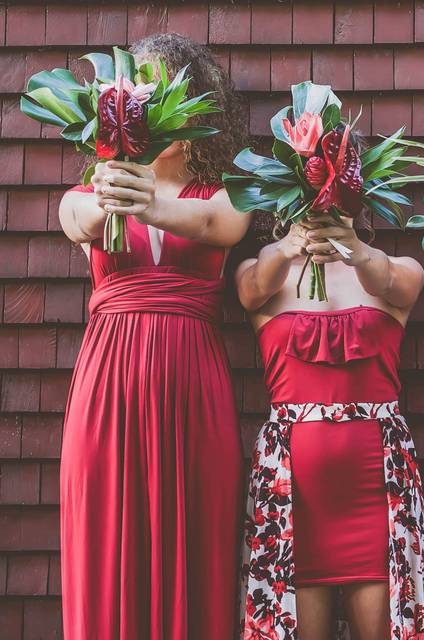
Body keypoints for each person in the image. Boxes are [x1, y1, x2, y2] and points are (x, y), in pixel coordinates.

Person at [58, 34, 251, 639]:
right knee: (106, 533)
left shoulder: (221, 194)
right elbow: (76, 219)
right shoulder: (95, 191)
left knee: (199, 535)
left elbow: (224, 224)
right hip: (108, 383)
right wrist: (111, 192)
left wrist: (145, 204)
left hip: (194, 384)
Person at [235, 203, 424, 640]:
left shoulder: (399, 269)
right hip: (293, 493)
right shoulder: (263, 271)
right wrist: (288, 248)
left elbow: (390, 283)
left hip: (377, 488)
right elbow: (251, 290)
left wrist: (354, 250)